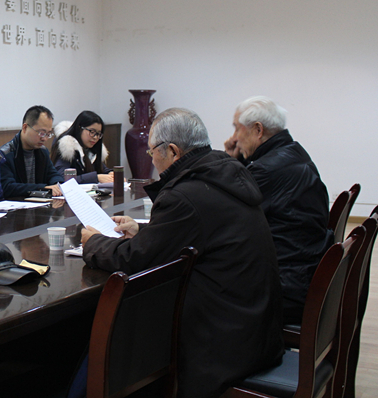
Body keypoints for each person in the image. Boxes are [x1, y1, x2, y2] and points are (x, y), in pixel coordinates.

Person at [78, 108, 284, 398]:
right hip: (256, 327)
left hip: (223, 344)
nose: (152, 160)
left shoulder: (185, 195)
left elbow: (134, 259)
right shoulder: (223, 174)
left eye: (152, 152)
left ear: (173, 151)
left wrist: (93, 242)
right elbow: (196, 233)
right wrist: (145, 231)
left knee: (120, 328)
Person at [224, 96, 332, 324]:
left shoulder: (267, 170)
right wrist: (237, 162)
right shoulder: (292, 152)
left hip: (286, 286)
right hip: (302, 272)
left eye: (237, 128)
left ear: (258, 130)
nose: (233, 138)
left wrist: (230, 164)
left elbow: (225, 213)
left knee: (201, 289)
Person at [0, 105, 63, 198]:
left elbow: (53, 175)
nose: (44, 138)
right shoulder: (5, 154)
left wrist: (58, 185)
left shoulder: (43, 151)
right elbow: (8, 187)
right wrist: (42, 188)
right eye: (41, 133)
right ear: (25, 127)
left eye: (48, 134)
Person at [51, 110, 114, 184]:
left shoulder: (91, 150)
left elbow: (102, 169)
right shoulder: (67, 148)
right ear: (80, 128)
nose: (95, 137)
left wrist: (111, 174)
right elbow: (62, 178)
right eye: (92, 132)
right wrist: (96, 178)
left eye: (98, 134)